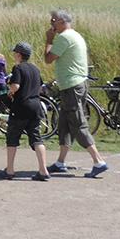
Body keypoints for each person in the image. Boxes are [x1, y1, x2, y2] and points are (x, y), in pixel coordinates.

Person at [44, 10, 108, 178]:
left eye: (54, 21)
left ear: (63, 22)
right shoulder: (75, 35)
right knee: (64, 124)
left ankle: (98, 161)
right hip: (73, 85)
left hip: (72, 86)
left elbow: (48, 58)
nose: (51, 23)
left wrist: (49, 40)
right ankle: (60, 162)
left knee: (78, 123)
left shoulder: (64, 37)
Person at [0, 42, 50, 181]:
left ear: (19, 55)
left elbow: (15, 86)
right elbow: (40, 88)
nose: (14, 55)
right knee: (36, 138)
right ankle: (43, 170)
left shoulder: (18, 68)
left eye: (15, 53)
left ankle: (9, 170)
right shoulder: (35, 69)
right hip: (35, 106)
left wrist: (9, 92)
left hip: (21, 107)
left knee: (12, 138)